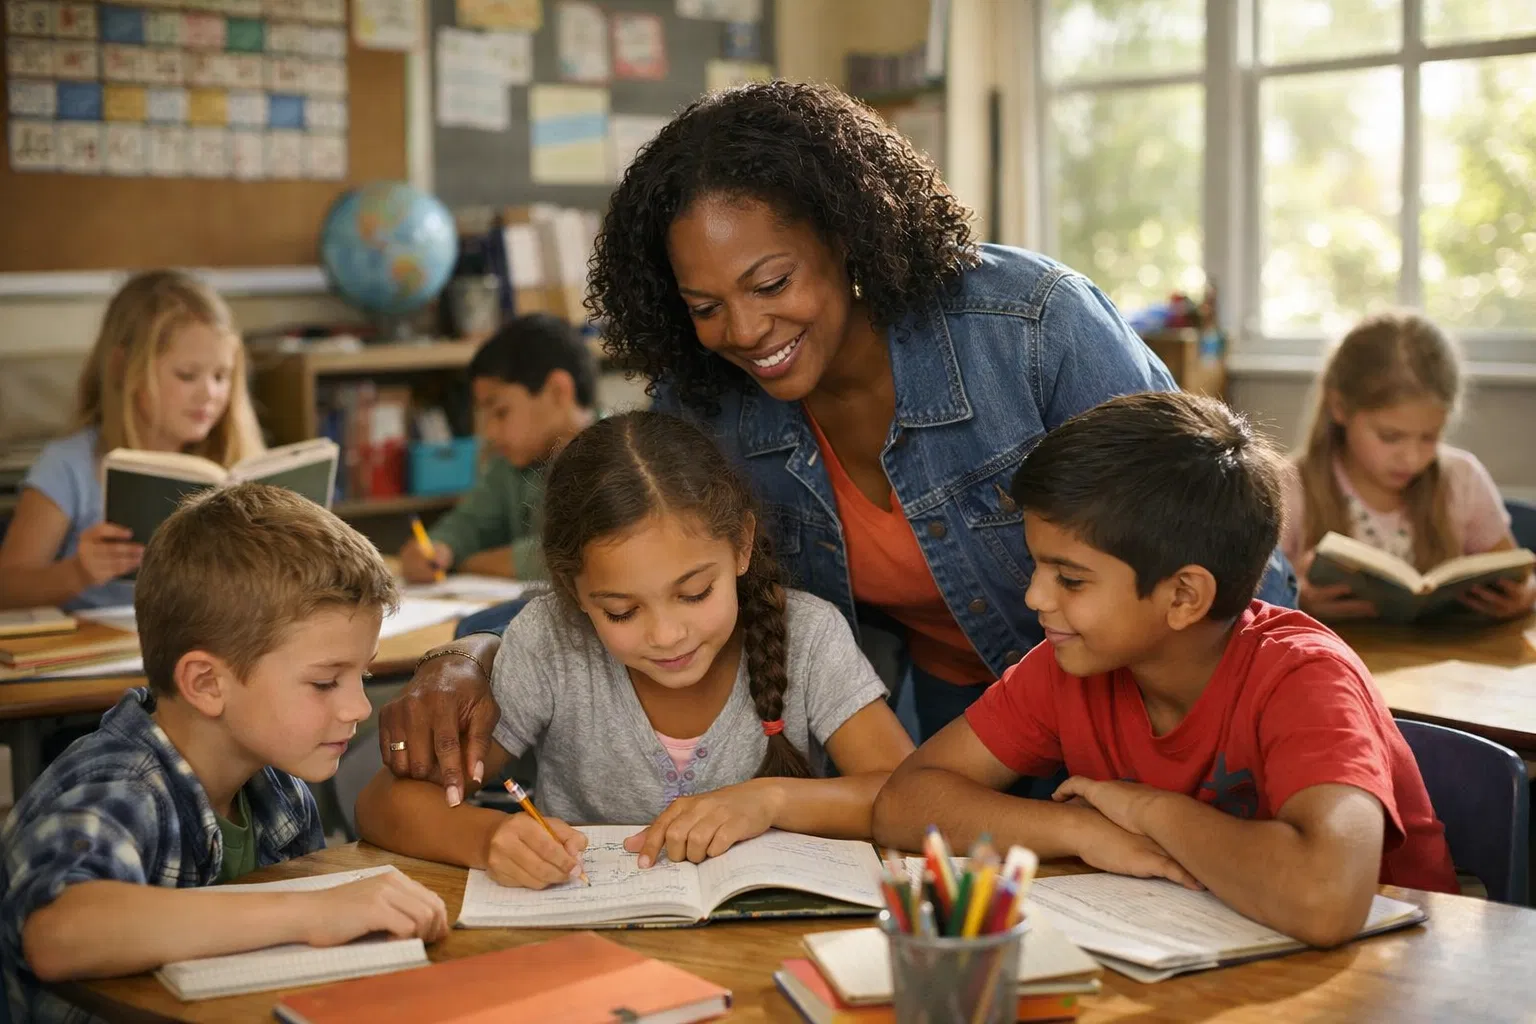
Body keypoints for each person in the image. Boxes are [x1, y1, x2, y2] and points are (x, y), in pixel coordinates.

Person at [375, 81, 1298, 781]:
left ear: (848, 236)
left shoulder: (1030, 327)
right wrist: (471, 649)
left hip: (1149, 705)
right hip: (954, 711)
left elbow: (1222, 537)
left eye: (772, 285)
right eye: (705, 304)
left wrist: (1261, 722)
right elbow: (616, 567)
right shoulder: (705, 398)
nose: (742, 332)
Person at [871, 392, 1457, 949]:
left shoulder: (1304, 677)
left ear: (1183, 597)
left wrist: (1151, 810)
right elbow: (905, 802)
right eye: (1038, 567)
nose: (1034, 597)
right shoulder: (1071, 664)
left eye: (1070, 579)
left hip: (1394, 982)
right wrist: (1083, 832)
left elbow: (1326, 900)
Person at [356, 412, 913, 887]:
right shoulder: (552, 643)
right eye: (621, 612)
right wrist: (490, 838)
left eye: (695, 593)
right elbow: (383, 804)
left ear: (741, 546)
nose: (667, 635)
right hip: (590, 956)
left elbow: (910, 795)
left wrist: (770, 802)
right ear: (574, 590)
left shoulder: (809, 636)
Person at [0, 484, 448, 1023]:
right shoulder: (119, 787)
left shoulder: (281, 791)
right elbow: (58, 932)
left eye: (365, 674)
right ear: (207, 683)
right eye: (327, 682)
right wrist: (307, 912)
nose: (358, 706)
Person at [0, 269, 264, 611]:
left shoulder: (232, 462)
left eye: (221, 376)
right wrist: (78, 572)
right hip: (95, 649)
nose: (209, 394)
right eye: (187, 375)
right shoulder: (70, 465)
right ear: (125, 368)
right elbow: (6, 586)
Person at [1282, 311, 1532, 621]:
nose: (1412, 458)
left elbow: (1521, 576)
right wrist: (1296, 598)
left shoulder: (1462, 479)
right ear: (1339, 408)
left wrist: (1524, 596)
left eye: (1429, 437)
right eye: (1390, 437)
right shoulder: (1289, 487)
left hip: (1449, 663)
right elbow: (1244, 607)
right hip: (1333, 664)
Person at [399, 313, 598, 583]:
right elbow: (468, 524)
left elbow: (573, 556)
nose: (490, 432)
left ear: (557, 391)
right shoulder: (513, 465)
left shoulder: (621, 457)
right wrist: (437, 548)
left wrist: (469, 563)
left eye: (501, 412)